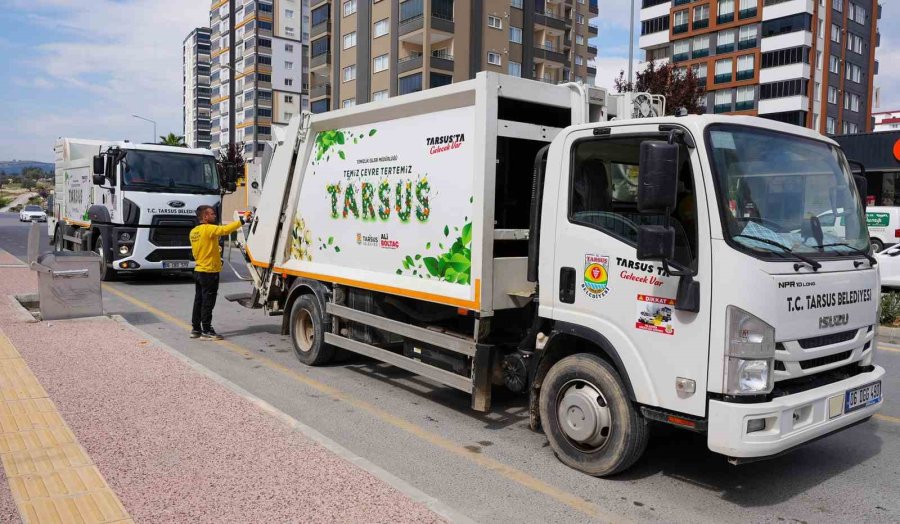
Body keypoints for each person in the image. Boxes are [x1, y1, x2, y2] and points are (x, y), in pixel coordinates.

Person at [189, 205, 248, 340]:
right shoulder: (209, 229)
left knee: (199, 301)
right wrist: (242, 220)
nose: (214, 215)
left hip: (199, 270)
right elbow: (225, 230)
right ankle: (206, 330)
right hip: (209, 272)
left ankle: (196, 329)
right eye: (212, 214)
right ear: (205, 217)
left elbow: (203, 248)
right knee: (208, 302)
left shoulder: (194, 231)